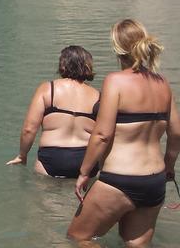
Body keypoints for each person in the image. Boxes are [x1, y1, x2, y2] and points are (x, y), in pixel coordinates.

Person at [68, 19, 180, 247]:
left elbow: (102, 134)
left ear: (117, 48)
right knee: (136, 245)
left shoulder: (115, 81)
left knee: (78, 238)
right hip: (155, 182)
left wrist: (84, 172)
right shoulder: (163, 84)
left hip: (120, 179)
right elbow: (176, 133)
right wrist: (169, 166)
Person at [6, 46, 99, 177]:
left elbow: (29, 129)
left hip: (51, 156)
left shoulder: (48, 89)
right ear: (87, 66)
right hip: (85, 158)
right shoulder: (97, 95)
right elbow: (104, 134)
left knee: (47, 195)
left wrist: (22, 155)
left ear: (63, 64)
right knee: (81, 197)